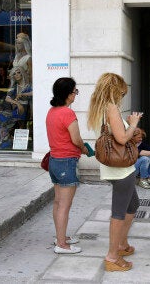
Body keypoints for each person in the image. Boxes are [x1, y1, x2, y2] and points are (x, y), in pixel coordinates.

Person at [88, 72, 142, 272]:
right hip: (121, 170)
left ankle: (121, 244)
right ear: (115, 90)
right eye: (121, 92)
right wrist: (134, 123)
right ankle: (112, 256)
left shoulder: (101, 108)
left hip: (117, 168)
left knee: (133, 204)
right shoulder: (111, 108)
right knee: (119, 211)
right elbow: (121, 138)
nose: (122, 96)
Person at [47, 77, 90, 254]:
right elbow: (76, 139)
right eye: (75, 91)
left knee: (58, 202)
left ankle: (61, 237)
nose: (75, 95)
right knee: (64, 205)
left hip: (54, 161)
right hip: (66, 162)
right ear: (68, 94)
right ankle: (62, 245)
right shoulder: (67, 113)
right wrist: (84, 149)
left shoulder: (52, 111)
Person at [0, 66, 33, 149]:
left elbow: (34, 93)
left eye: (18, 72)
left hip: (24, 110)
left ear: (22, 73)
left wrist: (23, 94)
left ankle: (2, 140)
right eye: (14, 74)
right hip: (16, 110)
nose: (17, 75)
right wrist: (16, 103)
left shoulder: (28, 86)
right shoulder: (15, 87)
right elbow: (7, 98)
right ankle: (1, 141)